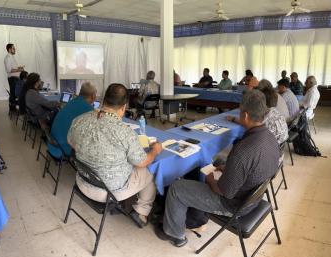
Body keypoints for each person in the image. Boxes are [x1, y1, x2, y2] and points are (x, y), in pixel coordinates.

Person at [155, 90, 280, 247]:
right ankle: (194, 212)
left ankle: (175, 234)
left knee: (176, 188)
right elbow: (254, 166)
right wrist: (227, 167)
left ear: (246, 116)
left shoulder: (243, 150)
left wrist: (210, 180)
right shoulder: (270, 137)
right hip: (252, 196)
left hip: (233, 205)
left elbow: (224, 192)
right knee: (218, 162)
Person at [67, 83, 163, 228]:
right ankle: (141, 212)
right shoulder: (124, 131)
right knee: (151, 169)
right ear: (124, 106)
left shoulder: (79, 119)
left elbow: (71, 142)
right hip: (107, 191)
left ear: (104, 100)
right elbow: (142, 162)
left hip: (82, 180)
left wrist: (92, 152)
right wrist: (155, 150)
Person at [48, 82, 97, 158]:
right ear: (93, 96)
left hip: (53, 143)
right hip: (62, 149)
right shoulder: (89, 110)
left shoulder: (71, 102)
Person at [4, 43, 24, 111]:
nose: (15, 49)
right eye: (13, 48)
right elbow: (9, 70)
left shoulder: (12, 57)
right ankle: (12, 109)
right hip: (12, 79)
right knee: (13, 94)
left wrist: (19, 67)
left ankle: (14, 108)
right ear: (9, 49)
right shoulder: (8, 58)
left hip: (15, 79)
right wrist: (19, 69)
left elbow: (13, 68)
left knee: (14, 94)